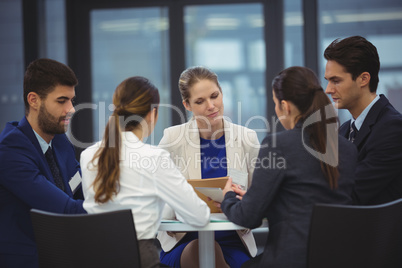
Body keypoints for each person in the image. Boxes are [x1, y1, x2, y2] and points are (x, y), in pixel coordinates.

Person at [221, 66, 357, 268]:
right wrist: (258, 198)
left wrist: (228, 198)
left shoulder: (278, 145)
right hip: (341, 259)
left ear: (285, 106)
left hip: (291, 260)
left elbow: (248, 217)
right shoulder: (347, 148)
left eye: (276, 104)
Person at [80, 76, 210, 268]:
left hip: (94, 258)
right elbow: (200, 217)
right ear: (153, 114)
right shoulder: (155, 158)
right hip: (139, 259)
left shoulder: (88, 155)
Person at [157, 66, 260, 268]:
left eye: (215, 96)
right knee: (201, 252)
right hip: (184, 241)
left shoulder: (247, 138)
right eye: (200, 101)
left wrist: (246, 200)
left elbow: (260, 198)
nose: (211, 106)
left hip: (233, 240)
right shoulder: (172, 139)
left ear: (222, 92)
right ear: (187, 105)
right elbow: (155, 196)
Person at [0, 58, 86, 268]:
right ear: (33, 100)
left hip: (65, 254)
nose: (71, 109)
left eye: (72, 100)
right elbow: (66, 211)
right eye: (61, 101)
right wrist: (129, 205)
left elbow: (82, 190)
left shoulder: (59, 141)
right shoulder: (10, 151)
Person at [324, 35, 402, 205]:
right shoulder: (344, 130)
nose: (328, 89)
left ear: (363, 79)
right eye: (328, 81)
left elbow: (351, 192)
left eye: (336, 81)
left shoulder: (393, 128)